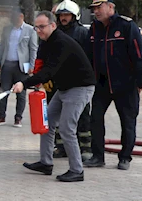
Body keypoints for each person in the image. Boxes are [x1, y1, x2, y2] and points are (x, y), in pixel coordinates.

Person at [12, 11, 95, 182]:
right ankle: (46, 163)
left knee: (66, 128)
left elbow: (49, 71)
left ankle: (77, 170)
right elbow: (42, 66)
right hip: (65, 87)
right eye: (36, 27)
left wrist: (24, 84)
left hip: (80, 87)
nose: (39, 30)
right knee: (47, 123)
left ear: (53, 25)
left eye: (42, 26)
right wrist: (34, 79)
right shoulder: (46, 42)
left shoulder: (61, 42)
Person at [84, 0, 142, 171]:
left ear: (110, 7)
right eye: (94, 9)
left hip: (125, 84)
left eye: (99, 7)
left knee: (128, 122)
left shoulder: (126, 26)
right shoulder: (94, 29)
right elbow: (88, 56)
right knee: (95, 119)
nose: (95, 11)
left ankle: (125, 157)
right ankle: (98, 156)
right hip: (102, 84)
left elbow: (138, 55)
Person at [51, 0, 92, 160]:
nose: (63, 18)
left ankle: (85, 148)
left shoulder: (82, 33)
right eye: (61, 15)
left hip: (79, 82)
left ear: (74, 16)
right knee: (57, 117)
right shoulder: (54, 33)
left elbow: (89, 57)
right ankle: (61, 147)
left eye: (67, 15)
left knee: (82, 116)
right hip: (59, 81)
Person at [0, 8, 38, 127]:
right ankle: (1, 117)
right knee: (3, 91)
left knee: (21, 94)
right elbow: (1, 46)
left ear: (21, 16)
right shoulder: (7, 29)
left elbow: (33, 49)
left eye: (15, 16)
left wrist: (31, 66)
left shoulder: (30, 30)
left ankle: (18, 118)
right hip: (7, 65)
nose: (12, 19)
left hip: (22, 67)